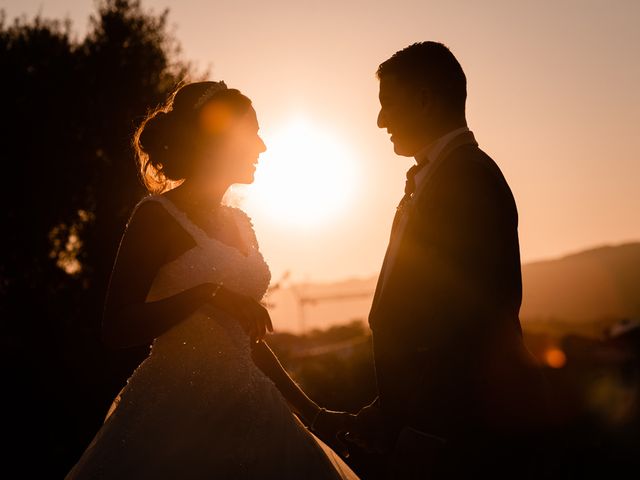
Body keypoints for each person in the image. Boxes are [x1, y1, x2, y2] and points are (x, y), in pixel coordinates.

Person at [66, 81, 358, 479]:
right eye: (252, 133)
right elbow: (116, 327)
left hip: (253, 408)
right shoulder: (156, 217)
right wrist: (206, 294)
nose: (262, 147)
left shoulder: (240, 224)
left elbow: (245, 339)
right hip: (175, 414)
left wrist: (312, 412)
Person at [346, 42, 553, 478]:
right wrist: (387, 407)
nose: (380, 120)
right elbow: (423, 313)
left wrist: (427, 429)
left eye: (388, 104)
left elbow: (470, 322)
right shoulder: (446, 175)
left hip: (459, 434)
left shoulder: (467, 180)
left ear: (424, 100)